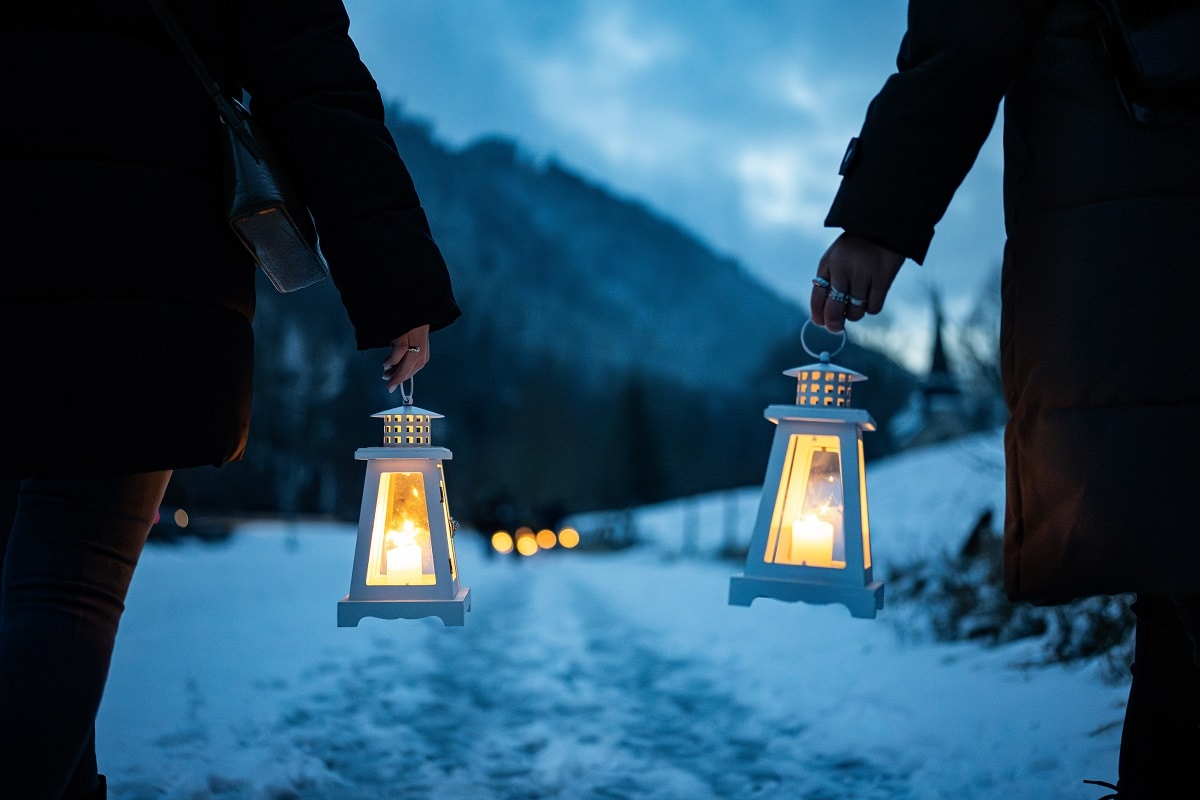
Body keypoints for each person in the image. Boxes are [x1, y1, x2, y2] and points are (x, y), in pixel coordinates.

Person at [0, 1, 460, 797]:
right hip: (136, 265)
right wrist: (394, 282)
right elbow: (311, 80)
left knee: (24, 603)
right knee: (64, 584)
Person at [809, 0, 1199, 797]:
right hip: (1149, 217)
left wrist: (877, 216)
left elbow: (965, 37)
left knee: (1177, 574)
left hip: (1139, 240)